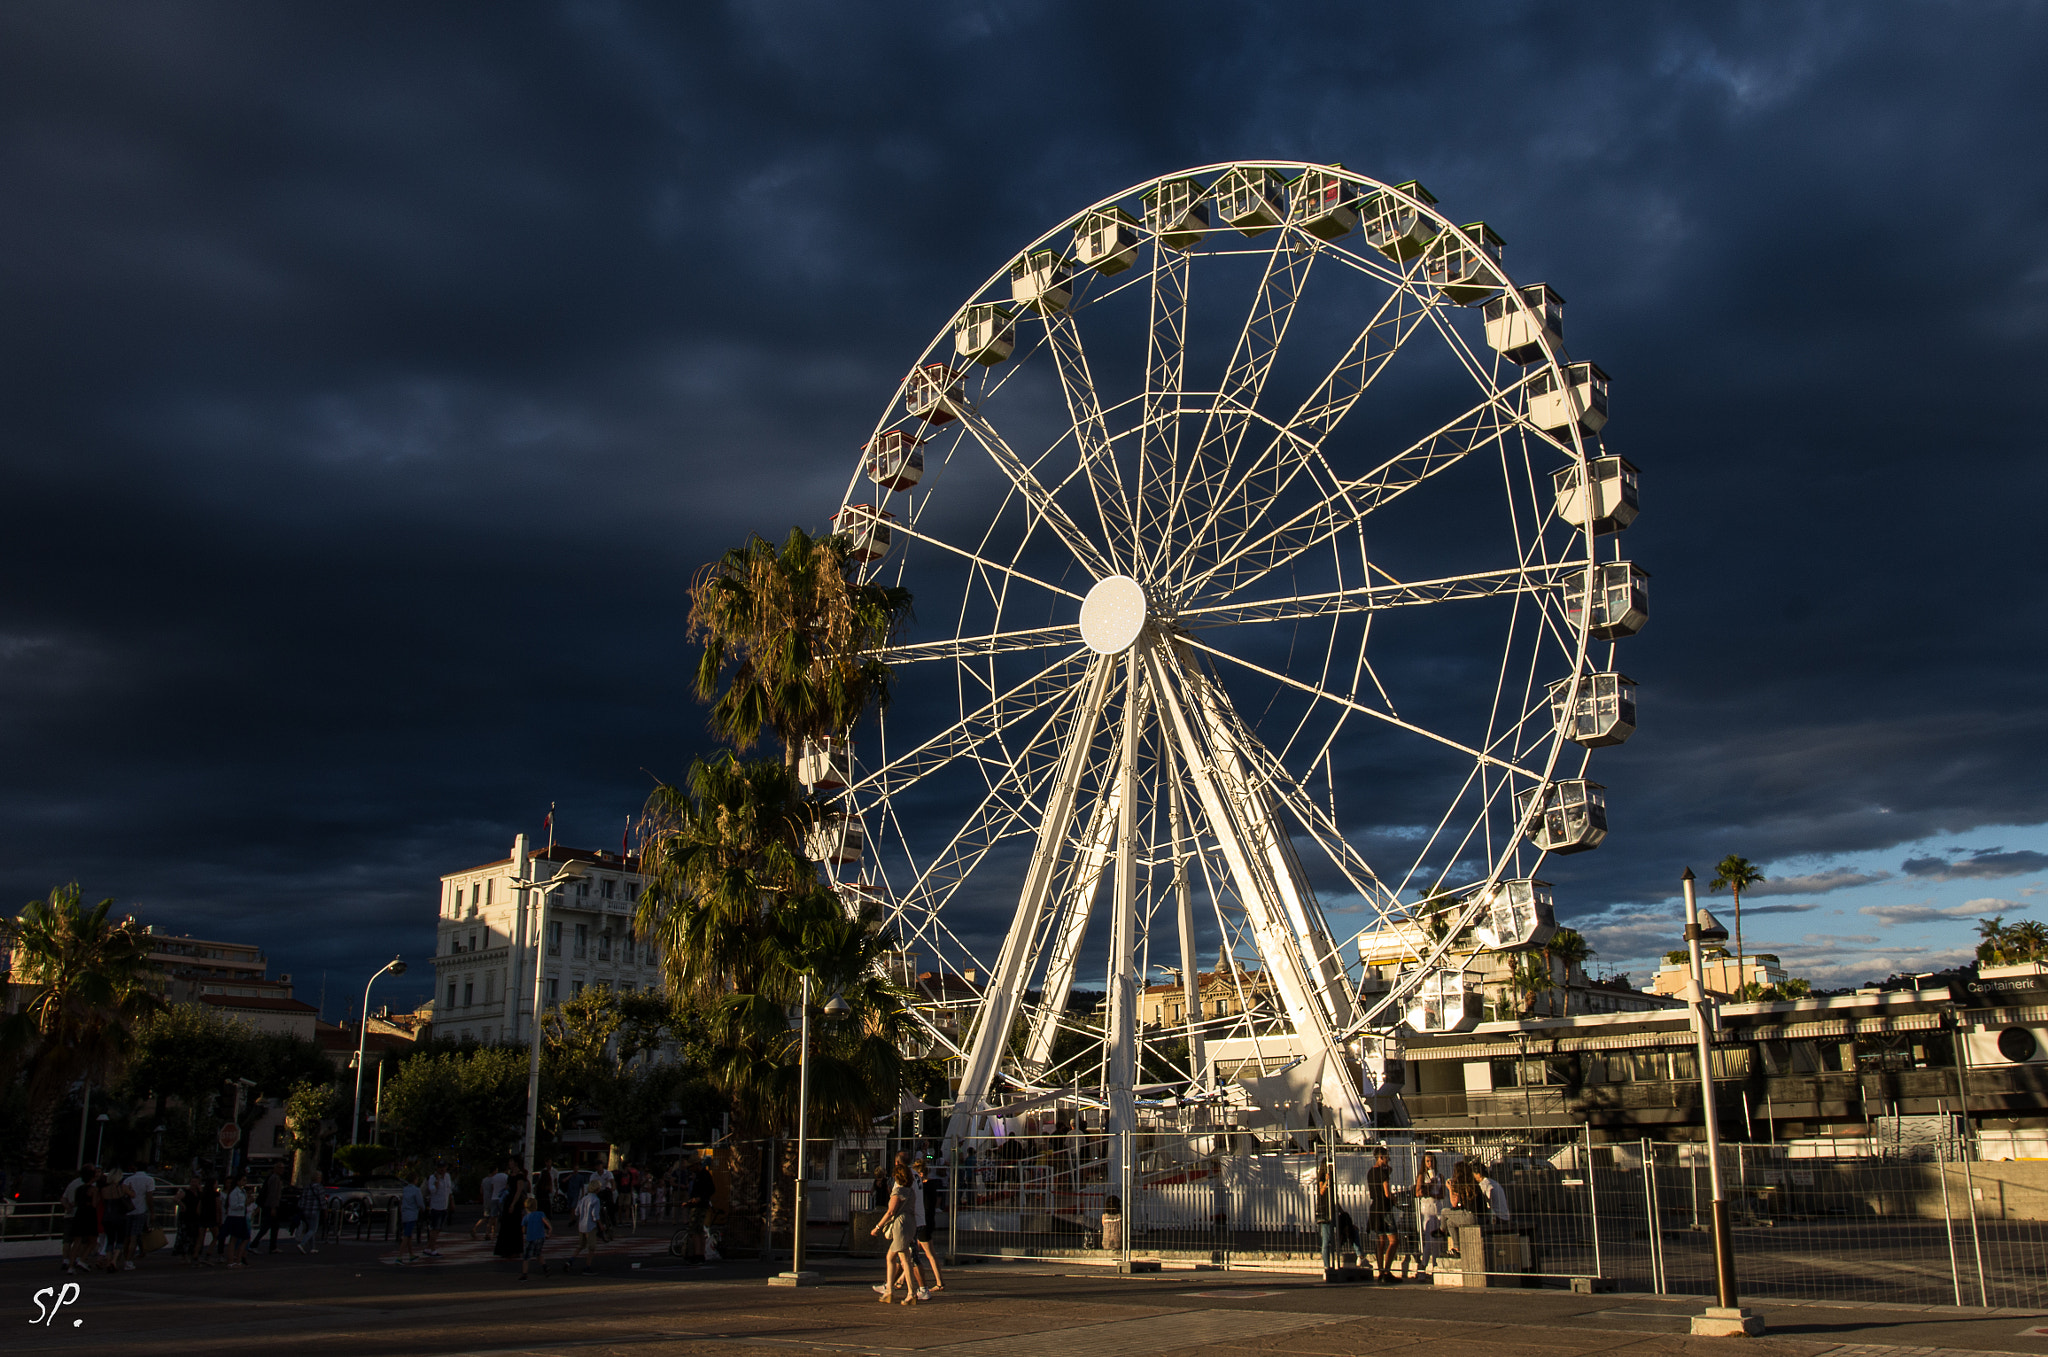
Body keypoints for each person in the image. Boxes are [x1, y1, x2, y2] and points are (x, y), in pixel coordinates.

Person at [868, 1165, 918, 1306]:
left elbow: (890, 1212)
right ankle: (889, 1289)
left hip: (900, 1225)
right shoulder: (911, 1191)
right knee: (891, 1256)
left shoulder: (898, 1191)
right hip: (910, 1222)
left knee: (904, 1258)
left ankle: (911, 1293)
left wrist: (878, 1227)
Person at [912, 1157, 945, 1294]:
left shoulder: (923, 1188)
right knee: (913, 1252)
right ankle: (900, 1279)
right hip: (929, 1220)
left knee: (929, 1253)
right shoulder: (932, 1185)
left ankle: (939, 1282)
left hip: (923, 1222)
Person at [1366, 1147, 1398, 1283]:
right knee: (1393, 1240)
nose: (1388, 1160)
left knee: (1380, 1241)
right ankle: (1386, 1269)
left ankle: (1380, 1271)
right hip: (1384, 1208)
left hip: (1375, 1208)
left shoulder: (1370, 1172)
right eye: (1386, 1157)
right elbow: (1386, 1192)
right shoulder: (1383, 1172)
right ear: (1381, 1158)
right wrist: (1393, 1198)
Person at [61, 1165, 98, 1275]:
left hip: (78, 1214)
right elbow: (94, 1204)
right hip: (89, 1215)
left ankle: (70, 1266)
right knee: (92, 1240)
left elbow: (72, 1200)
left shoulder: (78, 1188)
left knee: (75, 1241)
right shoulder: (93, 1189)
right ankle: (82, 1259)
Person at [1414, 1152, 1447, 1269]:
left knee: (1437, 1240)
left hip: (1437, 1207)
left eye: (1432, 1161)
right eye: (1427, 1161)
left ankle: (1435, 1266)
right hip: (1427, 1209)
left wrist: (1434, 1193)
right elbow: (1418, 1192)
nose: (1430, 1164)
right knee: (1429, 1240)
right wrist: (1428, 1187)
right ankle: (1423, 1265)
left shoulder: (1439, 1176)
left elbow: (1442, 1194)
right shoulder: (1422, 1176)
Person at [679, 1158, 716, 1264]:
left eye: (692, 1167)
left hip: (700, 1206)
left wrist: (700, 1198)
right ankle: (698, 1253)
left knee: (695, 1230)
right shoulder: (698, 1176)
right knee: (698, 1230)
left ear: (697, 1165)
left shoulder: (704, 1175)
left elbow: (711, 1190)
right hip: (696, 1204)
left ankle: (698, 1254)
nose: (691, 1169)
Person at [568, 1180, 603, 1274]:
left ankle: (570, 1260)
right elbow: (595, 1215)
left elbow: (576, 1212)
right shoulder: (596, 1200)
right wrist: (600, 1225)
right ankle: (587, 1266)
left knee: (581, 1245)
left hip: (581, 1225)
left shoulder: (583, 1198)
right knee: (591, 1247)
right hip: (590, 1225)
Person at [493, 1170, 529, 1259]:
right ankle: (505, 1249)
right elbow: (507, 1188)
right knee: (506, 1225)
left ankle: (515, 1250)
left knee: (515, 1227)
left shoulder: (519, 1176)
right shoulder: (510, 1176)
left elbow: (519, 1190)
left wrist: (513, 1204)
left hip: (515, 1203)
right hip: (508, 1200)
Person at [221, 1172, 252, 1267]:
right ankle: (231, 1260)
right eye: (243, 1180)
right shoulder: (234, 1192)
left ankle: (238, 1259)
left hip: (241, 1217)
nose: (245, 1182)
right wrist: (245, 1204)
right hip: (234, 1217)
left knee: (245, 1238)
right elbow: (233, 1206)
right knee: (233, 1239)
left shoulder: (242, 1191)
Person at [254, 1164, 287, 1254]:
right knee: (267, 1226)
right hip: (271, 1205)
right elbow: (273, 1194)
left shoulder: (275, 1178)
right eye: (280, 1168)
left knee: (274, 1226)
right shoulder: (275, 1178)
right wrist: (273, 1207)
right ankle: (254, 1244)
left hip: (271, 1205)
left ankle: (272, 1246)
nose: (282, 1170)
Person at [518, 1195, 552, 1280]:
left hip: (531, 1238)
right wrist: (550, 1229)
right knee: (538, 1253)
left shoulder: (526, 1217)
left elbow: (523, 1230)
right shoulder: (540, 1214)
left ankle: (524, 1274)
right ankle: (545, 1267)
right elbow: (546, 1221)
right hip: (540, 1237)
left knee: (526, 1257)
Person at [425, 1163, 454, 1257]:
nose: (442, 1170)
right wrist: (437, 1182)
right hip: (436, 1206)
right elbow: (432, 1190)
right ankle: (432, 1249)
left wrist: (451, 1201)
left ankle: (428, 1247)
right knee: (435, 1228)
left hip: (444, 1205)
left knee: (438, 1228)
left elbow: (449, 1190)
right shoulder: (432, 1178)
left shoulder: (447, 1176)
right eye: (440, 1168)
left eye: (444, 1167)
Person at [1313, 1159, 1336, 1273]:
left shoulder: (1333, 1181)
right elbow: (1322, 1191)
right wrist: (1327, 1182)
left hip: (1332, 1210)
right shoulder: (1322, 1179)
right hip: (1324, 1212)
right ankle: (1326, 1266)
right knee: (1326, 1240)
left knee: (1349, 1228)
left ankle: (1360, 1255)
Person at [397, 1171, 424, 1264]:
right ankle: (399, 1256)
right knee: (406, 1235)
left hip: (404, 1214)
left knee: (408, 1235)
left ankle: (411, 1254)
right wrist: (423, 1208)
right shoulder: (416, 1190)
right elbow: (420, 1202)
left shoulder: (405, 1189)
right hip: (412, 1214)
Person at [295, 1176, 324, 1253]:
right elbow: (322, 1199)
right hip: (314, 1210)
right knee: (313, 1229)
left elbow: (302, 1199)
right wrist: (324, 1209)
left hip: (306, 1210)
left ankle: (312, 1247)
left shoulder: (307, 1187)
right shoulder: (319, 1187)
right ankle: (302, 1243)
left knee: (310, 1228)